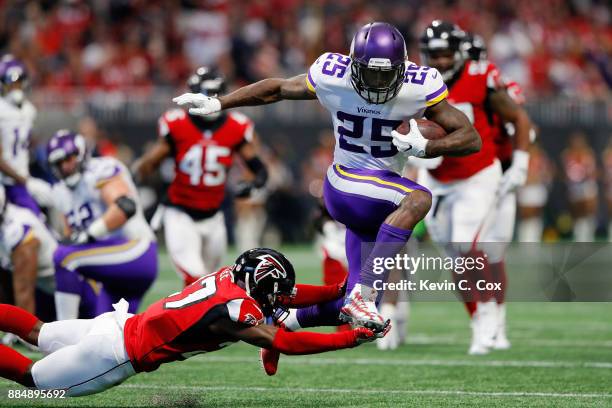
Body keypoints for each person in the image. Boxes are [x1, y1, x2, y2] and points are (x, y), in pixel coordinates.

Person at [173, 22, 480, 334]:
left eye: (385, 73)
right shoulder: (334, 75)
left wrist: (428, 146)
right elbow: (277, 88)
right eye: (370, 72)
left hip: (380, 197)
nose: (376, 81)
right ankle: (364, 293)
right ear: (352, 64)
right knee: (419, 198)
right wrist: (219, 102)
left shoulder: (419, 85)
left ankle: (286, 322)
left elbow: (471, 138)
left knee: (350, 305)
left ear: (402, 68)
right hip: (346, 182)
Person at [0, 248, 383, 397]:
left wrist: (336, 289)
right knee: (31, 383)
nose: (280, 298)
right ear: (259, 284)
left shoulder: (228, 277)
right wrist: (348, 339)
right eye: (275, 291)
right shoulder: (234, 312)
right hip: (115, 353)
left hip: (115, 324)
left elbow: (289, 294)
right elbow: (281, 341)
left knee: (37, 332)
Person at [417, 21, 532, 355]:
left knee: (470, 244)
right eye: (433, 54)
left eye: (445, 54)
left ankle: (490, 316)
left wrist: (521, 162)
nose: (439, 61)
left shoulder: (481, 75)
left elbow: (520, 119)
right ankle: (479, 318)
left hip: (478, 173)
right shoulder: (416, 81)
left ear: (458, 53)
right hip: (437, 177)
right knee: (454, 257)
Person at [134, 67, 268, 286]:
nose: (210, 100)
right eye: (205, 94)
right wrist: (140, 170)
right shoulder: (176, 123)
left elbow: (259, 169)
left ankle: (194, 319)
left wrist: (254, 184)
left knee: (212, 283)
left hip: (214, 216)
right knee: (195, 277)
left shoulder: (237, 126)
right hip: (180, 212)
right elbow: (150, 162)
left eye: (215, 95)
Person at [47, 130, 157, 319]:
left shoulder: (99, 169)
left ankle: (61, 332)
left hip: (136, 249)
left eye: (70, 158)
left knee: (65, 258)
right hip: (112, 274)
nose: (65, 167)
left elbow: (124, 207)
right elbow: (73, 240)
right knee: (104, 336)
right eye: (59, 163)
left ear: (81, 155)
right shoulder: (60, 192)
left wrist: (89, 233)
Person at [0, 56, 47, 217]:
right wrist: (24, 180)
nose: (16, 88)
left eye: (19, 83)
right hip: (6, 181)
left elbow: (25, 143)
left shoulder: (28, 110)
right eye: (11, 84)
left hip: (20, 179)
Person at [561, 132, 599, 242]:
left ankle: (589, 237)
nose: (577, 143)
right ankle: (579, 237)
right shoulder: (567, 154)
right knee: (577, 213)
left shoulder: (589, 153)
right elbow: (567, 172)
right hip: (574, 187)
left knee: (589, 210)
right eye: (575, 141)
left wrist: (586, 174)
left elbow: (592, 170)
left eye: (579, 141)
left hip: (587, 185)